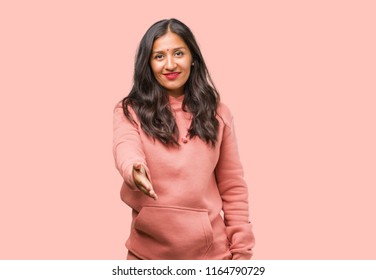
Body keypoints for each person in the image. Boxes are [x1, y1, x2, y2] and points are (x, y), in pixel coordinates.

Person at [113, 18, 255, 260]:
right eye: (159, 56)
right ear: (147, 63)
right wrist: (133, 168)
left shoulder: (218, 113)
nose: (170, 64)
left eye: (178, 53)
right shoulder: (129, 110)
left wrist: (241, 251)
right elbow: (125, 145)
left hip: (212, 257)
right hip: (146, 256)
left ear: (193, 58)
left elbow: (232, 186)